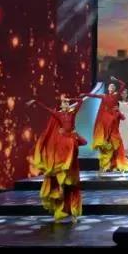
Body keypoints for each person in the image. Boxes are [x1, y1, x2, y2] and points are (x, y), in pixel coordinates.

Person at [27, 94, 86, 222]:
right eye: (64, 102)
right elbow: (46, 108)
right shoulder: (58, 114)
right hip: (62, 144)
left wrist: (71, 100)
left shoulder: (72, 113)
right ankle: (60, 202)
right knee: (61, 175)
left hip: (71, 142)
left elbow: (81, 101)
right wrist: (36, 101)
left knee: (72, 179)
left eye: (67, 102)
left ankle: (73, 211)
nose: (66, 104)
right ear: (60, 105)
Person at [80, 77, 128, 174]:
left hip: (112, 120)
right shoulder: (104, 96)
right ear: (108, 88)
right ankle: (105, 165)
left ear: (114, 89)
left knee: (114, 143)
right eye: (110, 86)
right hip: (104, 120)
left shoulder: (116, 95)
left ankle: (114, 164)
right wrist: (85, 94)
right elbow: (94, 95)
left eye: (113, 86)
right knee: (105, 143)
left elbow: (123, 85)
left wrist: (116, 80)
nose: (111, 87)